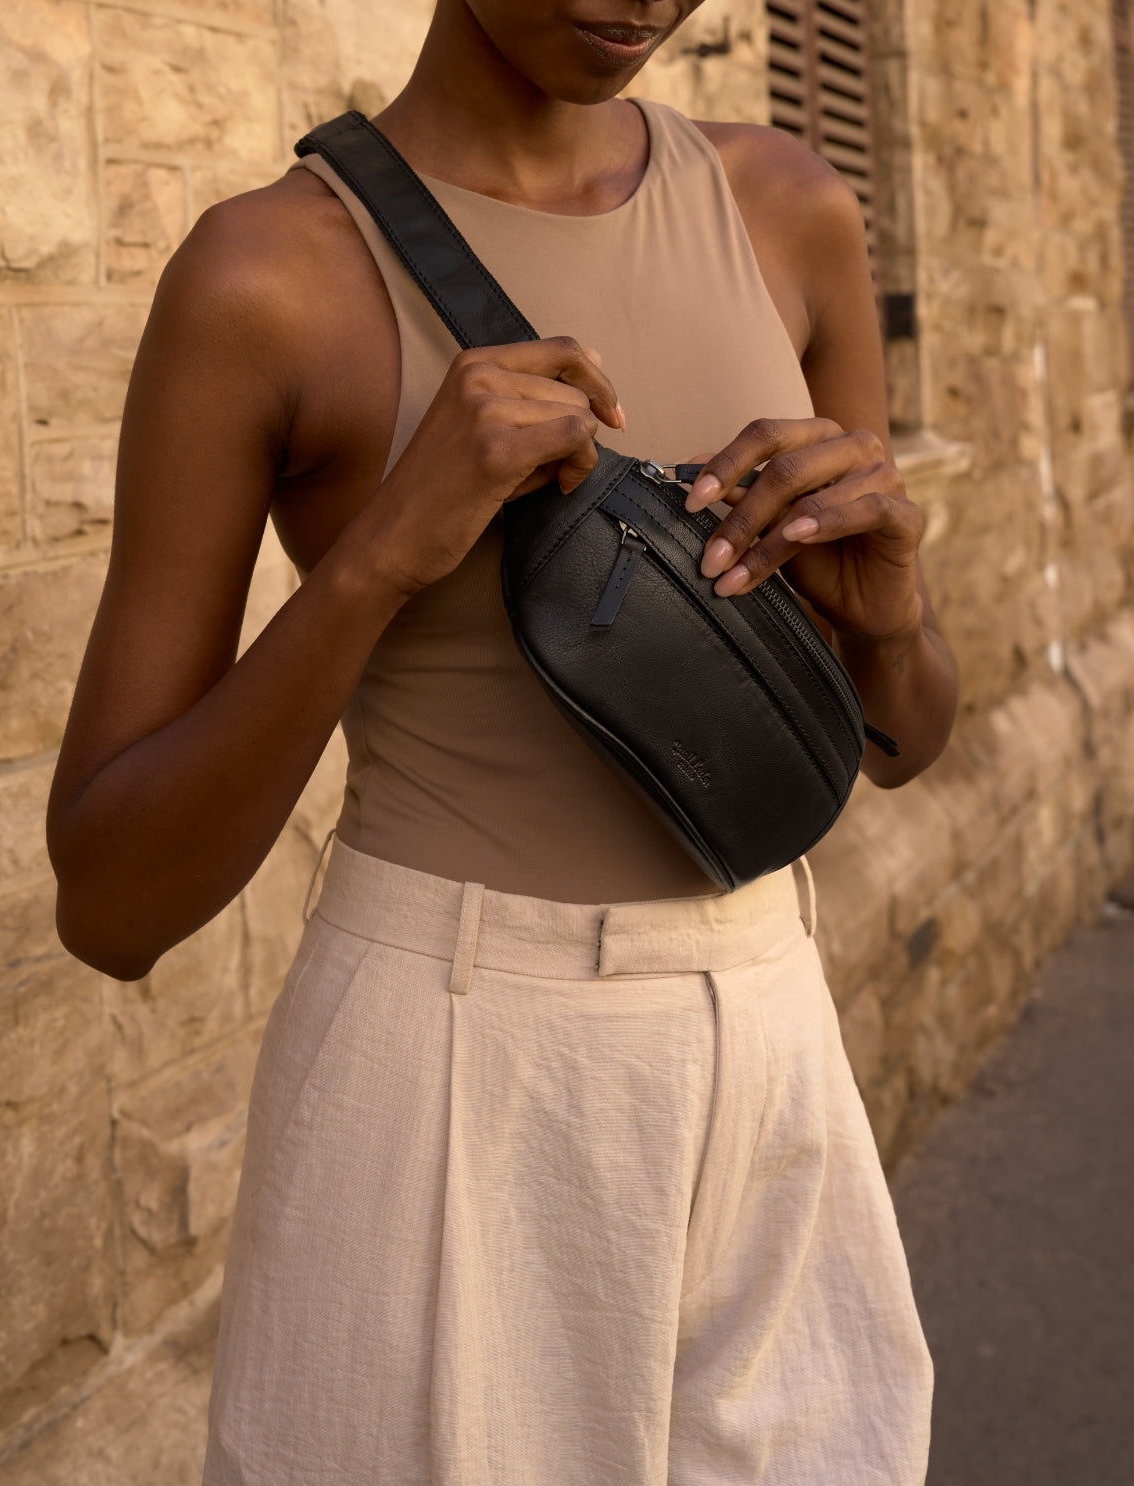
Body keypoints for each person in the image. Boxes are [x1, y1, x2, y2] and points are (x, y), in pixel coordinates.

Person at [47, 1, 958, 1481]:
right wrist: (379, 559)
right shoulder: (268, 275)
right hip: (452, 1076)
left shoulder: (788, 211)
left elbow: (902, 740)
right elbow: (112, 902)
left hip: (772, 1044)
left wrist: (894, 626)